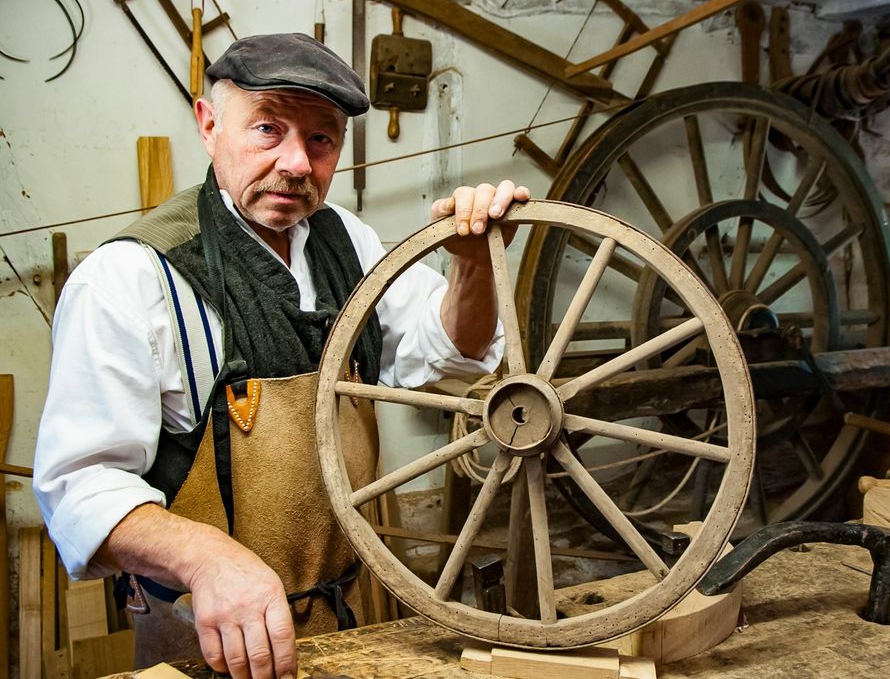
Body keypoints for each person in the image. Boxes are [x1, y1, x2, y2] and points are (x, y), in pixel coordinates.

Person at [33, 33, 529, 679]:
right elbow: (79, 488)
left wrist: (472, 269)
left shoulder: (346, 239)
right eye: (267, 129)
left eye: (321, 139)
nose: (296, 162)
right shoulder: (131, 276)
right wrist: (206, 557)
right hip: (209, 636)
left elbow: (448, 360)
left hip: (353, 609)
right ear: (209, 125)